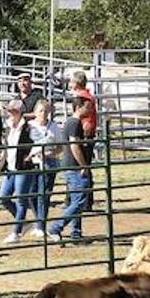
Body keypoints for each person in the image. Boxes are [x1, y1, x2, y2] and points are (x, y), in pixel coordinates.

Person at [46, 93, 92, 243]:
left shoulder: (74, 123)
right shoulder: (74, 123)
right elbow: (74, 145)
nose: (90, 110)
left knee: (75, 199)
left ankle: (75, 232)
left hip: (71, 165)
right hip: (73, 166)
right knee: (79, 200)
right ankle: (56, 227)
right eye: (87, 107)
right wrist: (83, 165)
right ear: (78, 107)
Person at [0, 98, 34, 244]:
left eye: (12, 111)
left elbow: (38, 142)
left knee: (21, 199)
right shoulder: (9, 127)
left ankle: (16, 232)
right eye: (9, 111)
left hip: (23, 167)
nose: (10, 114)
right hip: (11, 167)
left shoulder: (28, 128)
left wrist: (31, 155)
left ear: (19, 113)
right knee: (3, 197)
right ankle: (22, 222)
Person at [27, 97, 61, 238]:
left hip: (48, 163)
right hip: (32, 162)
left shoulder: (53, 127)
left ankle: (41, 226)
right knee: (31, 194)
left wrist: (49, 153)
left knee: (44, 195)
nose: (43, 113)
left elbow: (60, 147)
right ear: (35, 112)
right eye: (41, 110)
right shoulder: (29, 126)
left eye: (46, 111)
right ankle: (38, 221)